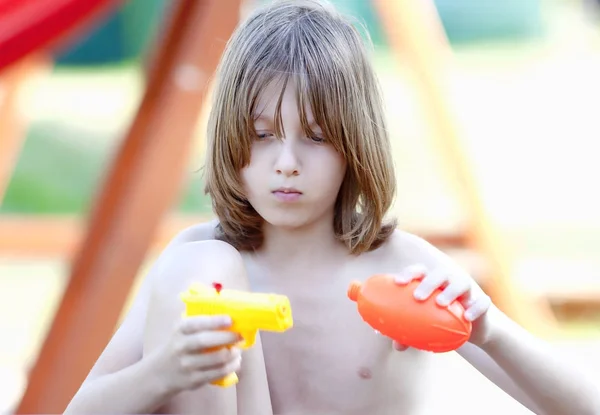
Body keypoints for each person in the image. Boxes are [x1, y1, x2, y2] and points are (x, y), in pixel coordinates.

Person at [64, 1, 600, 414]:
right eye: (262, 135)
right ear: (229, 138)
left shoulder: (401, 269)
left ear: (354, 144)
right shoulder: (199, 261)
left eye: (316, 137)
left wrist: (491, 331)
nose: (287, 163)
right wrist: (163, 373)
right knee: (200, 268)